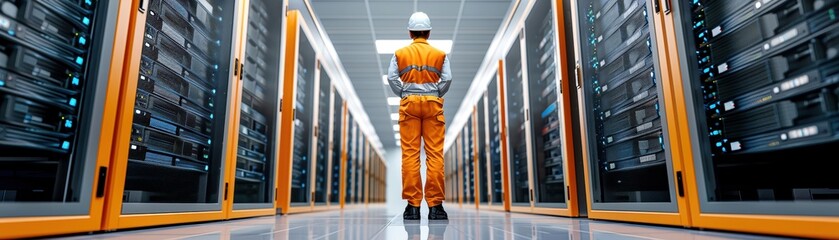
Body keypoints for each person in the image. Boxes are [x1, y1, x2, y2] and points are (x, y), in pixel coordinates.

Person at [387, 11, 452, 220]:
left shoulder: (399, 53)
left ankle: (413, 207)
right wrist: (435, 93)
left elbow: (391, 77)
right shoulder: (440, 54)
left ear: (410, 33)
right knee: (434, 154)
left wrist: (405, 93)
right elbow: (447, 78)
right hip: (433, 105)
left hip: (409, 106)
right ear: (429, 32)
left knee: (410, 154)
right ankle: (435, 207)